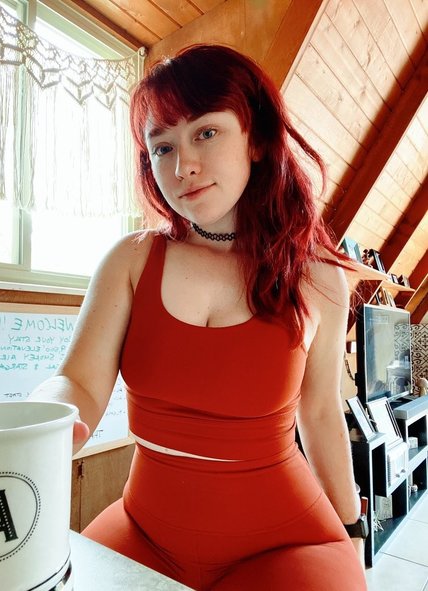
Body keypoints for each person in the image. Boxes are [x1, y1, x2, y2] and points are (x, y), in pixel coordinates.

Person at [31, 44, 368, 590]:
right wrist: (37, 422)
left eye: (205, 133)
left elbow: (322, 413)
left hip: (286, 543)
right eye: (162, 147)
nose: (182, 166)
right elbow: (79, 382)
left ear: (256, 138)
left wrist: (352, 527)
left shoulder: (318, 280)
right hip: (144, 531)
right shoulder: (131, 259)